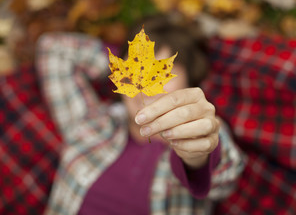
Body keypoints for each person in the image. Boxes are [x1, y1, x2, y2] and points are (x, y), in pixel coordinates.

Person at [36, 15, 245, 215]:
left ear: (190, 82)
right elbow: (54, 47)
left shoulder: (206, 125)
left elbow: (225, 176)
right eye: (135, 71)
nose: (144, 85)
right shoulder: (91, 122)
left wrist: (197, 155)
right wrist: (119, 62)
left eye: (159, 74)